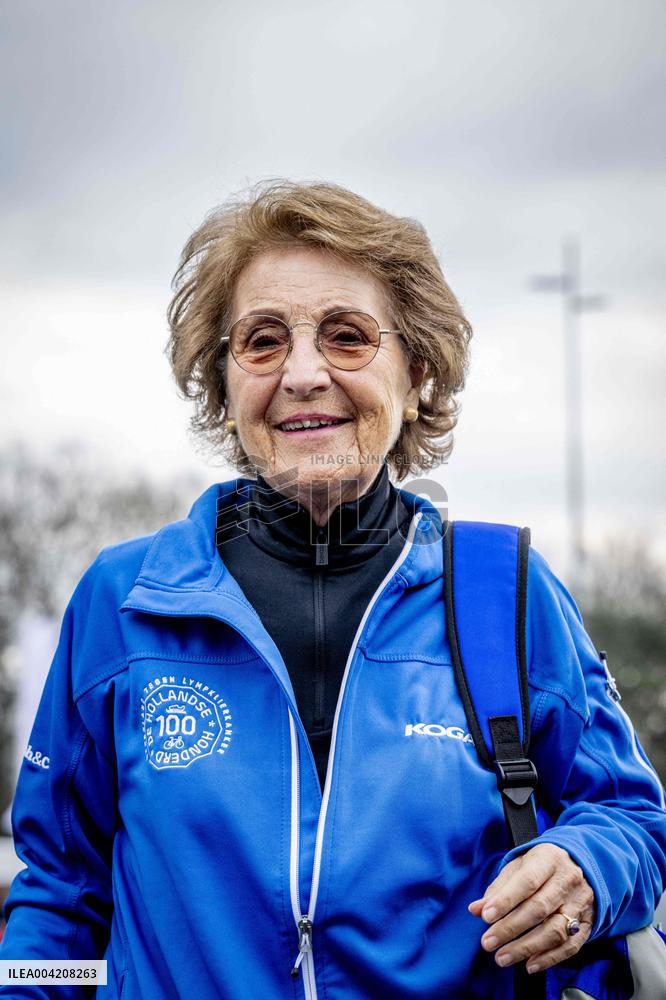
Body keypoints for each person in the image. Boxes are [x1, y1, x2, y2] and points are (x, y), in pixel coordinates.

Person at [0, 180, 664, 1000]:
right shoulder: (123, 602)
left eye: (348, 338)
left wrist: (590, 867)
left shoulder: (507, 596)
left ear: (419, 372)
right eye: (263, 340)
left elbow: (635, 821)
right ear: (222, 381)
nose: (303, 373)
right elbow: (58, 897)